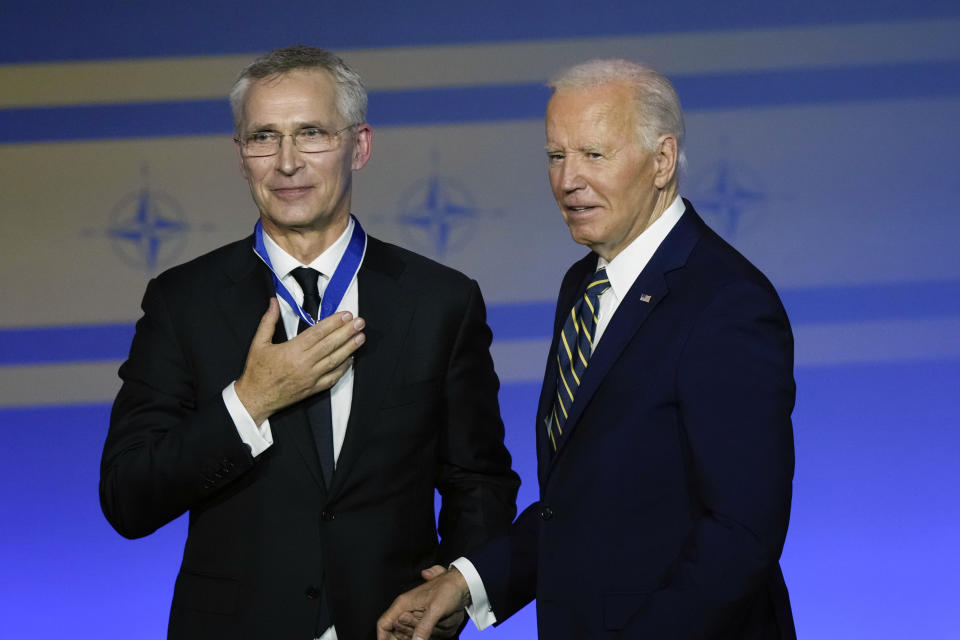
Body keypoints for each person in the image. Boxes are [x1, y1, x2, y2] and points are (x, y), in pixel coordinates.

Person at [99, 45, 519, 640]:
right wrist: (249, 402)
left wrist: (458, 582)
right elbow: (127, 497)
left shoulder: (440, 301)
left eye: (312, 133)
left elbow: (478, 480)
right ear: (241, 157)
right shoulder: (182, 301)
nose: (287, 162)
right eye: (263, 137)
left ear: (360, 146)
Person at [378, 59, 796, 639]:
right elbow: (578, 506)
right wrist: (465, 584)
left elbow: (741, 533)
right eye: (556, 156)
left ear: (663, 160)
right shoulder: (584, 284)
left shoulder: (726, 304)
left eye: (594, 155)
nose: (568, 180)